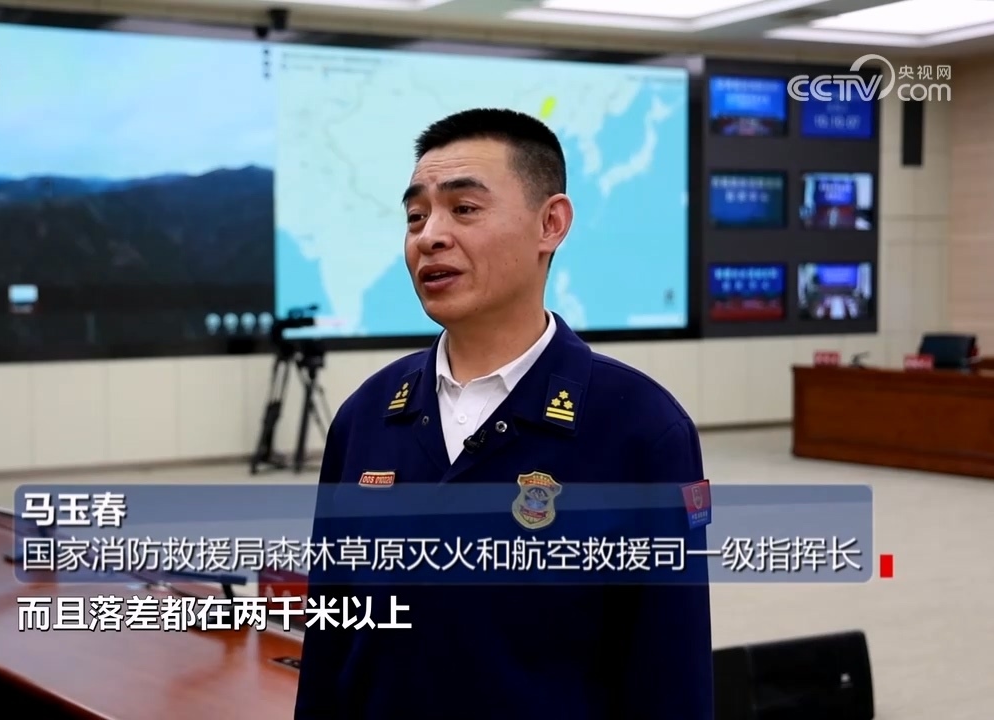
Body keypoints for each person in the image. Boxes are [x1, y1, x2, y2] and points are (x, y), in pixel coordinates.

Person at [294, 108, 713, 719]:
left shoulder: (641, 429)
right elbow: (329, 641)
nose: (430, 236)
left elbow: (670, 671)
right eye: (416, 216)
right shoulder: (366, 416)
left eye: (464, 208)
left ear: (551, 223)